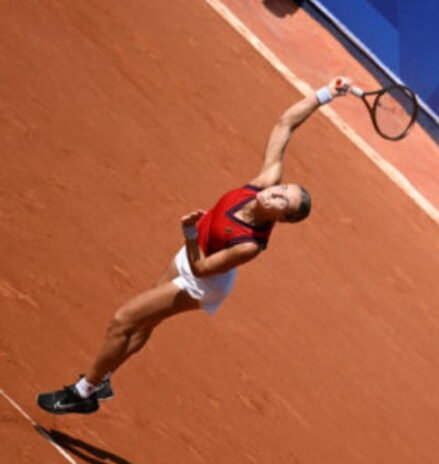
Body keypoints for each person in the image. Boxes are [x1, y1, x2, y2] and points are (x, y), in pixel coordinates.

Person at [37, 78, 354, 415]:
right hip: (193, 252)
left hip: (202, 280)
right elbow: (285, 124)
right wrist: (325, 94)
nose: (275, 193)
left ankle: (83, 392)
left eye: (282, 201)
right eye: (282, 188)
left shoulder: (249, 244)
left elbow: (202, 268)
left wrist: (190, 232)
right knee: (145, 322)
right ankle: (104, 378)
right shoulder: (263, 182)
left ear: (283, 219)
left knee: (122, 320)